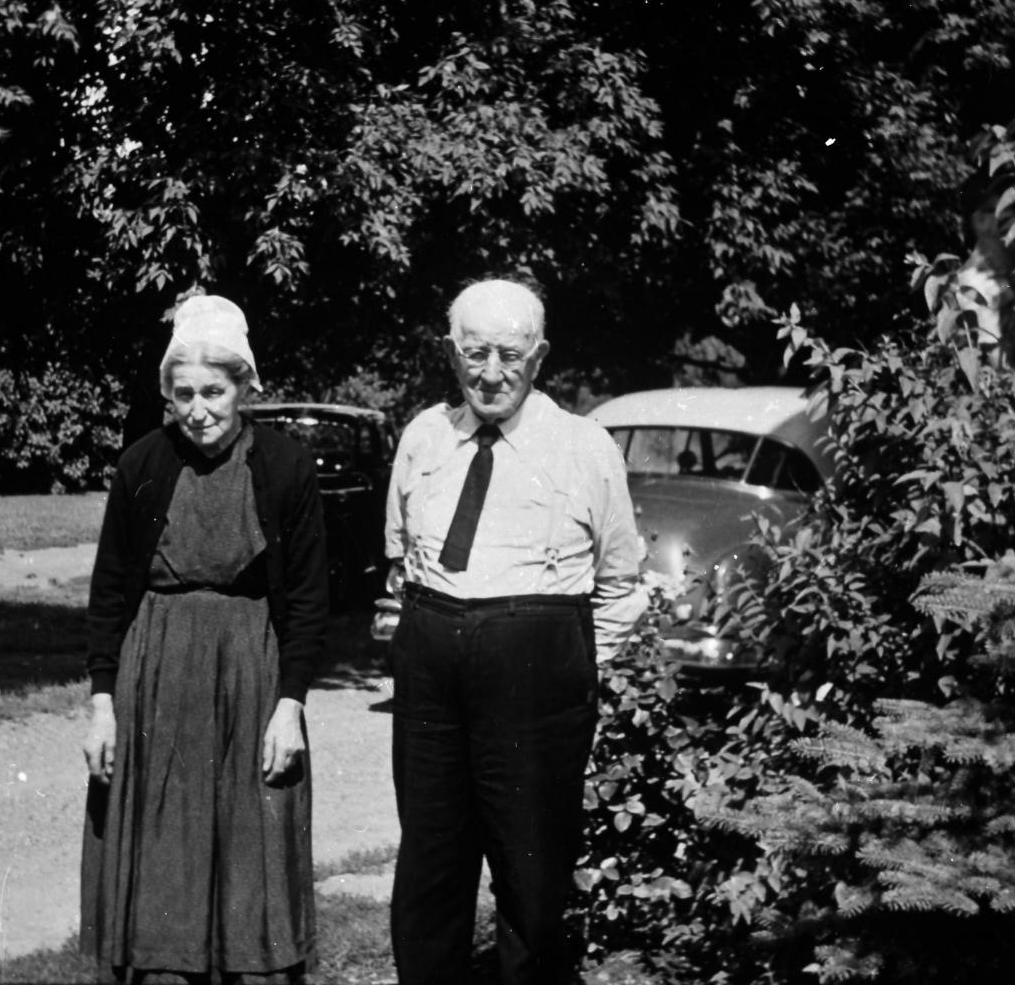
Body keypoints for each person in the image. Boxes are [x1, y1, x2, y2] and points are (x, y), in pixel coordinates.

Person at [384, 277, 646, 985]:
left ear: (539, 357)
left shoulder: (584, 447)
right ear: (450, 352)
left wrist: (572, 671)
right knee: (429, 864)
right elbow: (399, 552)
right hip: (433, 673)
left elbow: (621, 579)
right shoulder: (423, 436)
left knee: (530, 875)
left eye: (509, 354)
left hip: (538, 677)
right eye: (474, 353)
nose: (490, 372)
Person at [80, 294, 330, 984]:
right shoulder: (141, 466)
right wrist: (102, 701)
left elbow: (309, 600)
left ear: (244, 387)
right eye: (183, 393)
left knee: (252, 839)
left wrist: (292, 703)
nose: (199, 409)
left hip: (252, 670)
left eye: (214, 392)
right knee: (164, 841)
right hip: (155, 673)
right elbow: (107, 593)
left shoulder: (284, 466)